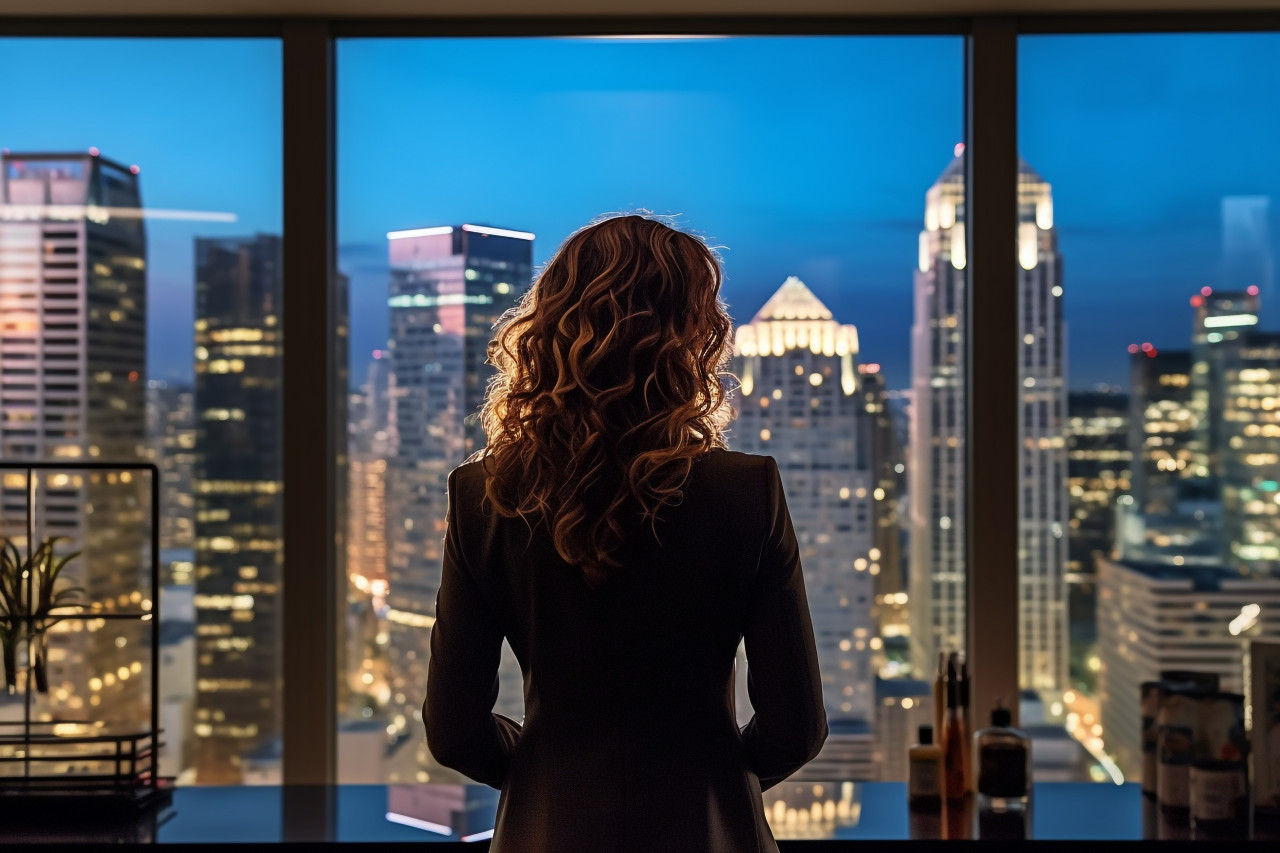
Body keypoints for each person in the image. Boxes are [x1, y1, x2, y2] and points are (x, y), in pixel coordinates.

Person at [423, 214, 827, 852]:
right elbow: (795, 728)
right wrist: (715, 776)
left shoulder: (483, 496)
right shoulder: (745, 491)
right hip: (706, 833)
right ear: (691, 338)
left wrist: (548, 770)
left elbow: (453, 731)